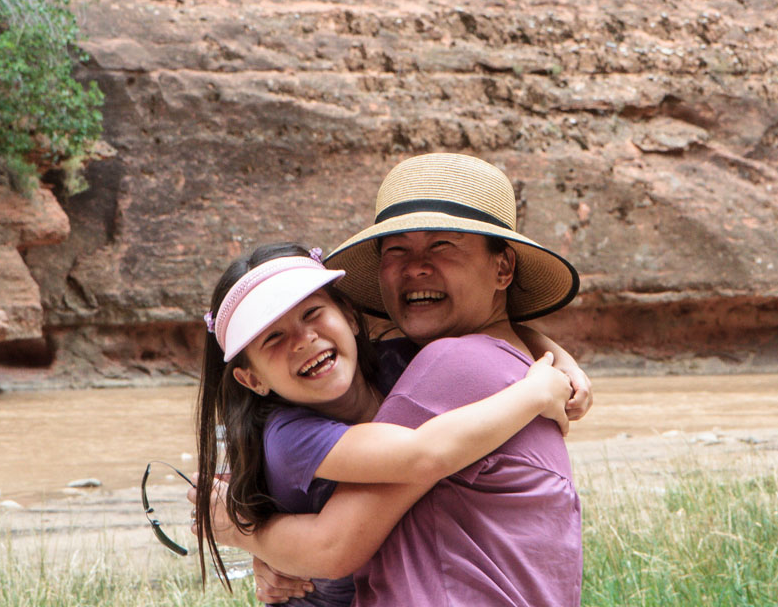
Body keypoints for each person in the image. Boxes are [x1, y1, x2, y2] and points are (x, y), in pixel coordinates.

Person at [195, 153, 590, 606]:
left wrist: (243, 530)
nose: (415, 267)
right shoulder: (292, 434)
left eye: (443, 245)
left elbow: (332, 546)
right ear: (251, 379)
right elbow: (418, 458)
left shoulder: (425, 362)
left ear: (349, 316)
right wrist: (246, 532)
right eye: (397, 250)